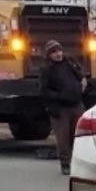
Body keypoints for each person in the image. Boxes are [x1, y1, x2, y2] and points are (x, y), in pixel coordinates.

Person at [39, 40, 86, 175]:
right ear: (49, 55)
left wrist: (82, 83)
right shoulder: (46, 69)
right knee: (63, 138)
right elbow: (43, 91)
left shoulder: (69, 62)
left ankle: (78, 161)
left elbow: (80, 76)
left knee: (78, 135)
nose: (58, 54)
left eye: (59, 51)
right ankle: (65, 163)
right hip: (59, 109)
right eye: (54, 52)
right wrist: (60, 96)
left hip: (76, 104)